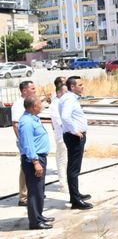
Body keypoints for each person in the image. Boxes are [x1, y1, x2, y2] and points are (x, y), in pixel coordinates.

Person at [18, 96, 54, 230]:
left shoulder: (33, 118)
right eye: (40, 104)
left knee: (40, 190)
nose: (42, 105)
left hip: (39, 158)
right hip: (33, 160)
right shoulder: (27, 122)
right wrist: (35, 162)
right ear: (34, 107)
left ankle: (39, 215)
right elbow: (28, 145)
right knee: (34, 191)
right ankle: (34, 222)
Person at [59, 76, 93, 210]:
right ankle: (75, 200)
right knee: (73, 169)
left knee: (75, 168)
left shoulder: (71, 98)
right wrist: (75, 131)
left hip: (75, 136)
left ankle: (76, 194)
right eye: (80, 84)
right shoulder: (68, 99)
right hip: (74, 137)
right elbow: (65, 117)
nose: (82, 86)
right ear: (72, 87)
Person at [12, 80, 36, 207]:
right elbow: (15, 125)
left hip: (32, 141)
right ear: (24, 90)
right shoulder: (18, 105)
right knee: (25, 168)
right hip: (25, 142)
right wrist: (22, 142)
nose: (35, 91)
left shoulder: (29, 103)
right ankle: (23, 196)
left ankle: (33, 192)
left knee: (32, 167)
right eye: (32, 89)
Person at [49, 77, 68, 192]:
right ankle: (63, 184)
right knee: (62, 160)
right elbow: (61, 122)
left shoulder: (64, 103)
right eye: (65, 92)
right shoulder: (55, 104)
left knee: (67, 160)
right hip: (62, 136)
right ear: (58, 93)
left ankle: (68, 182)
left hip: (68, 135)